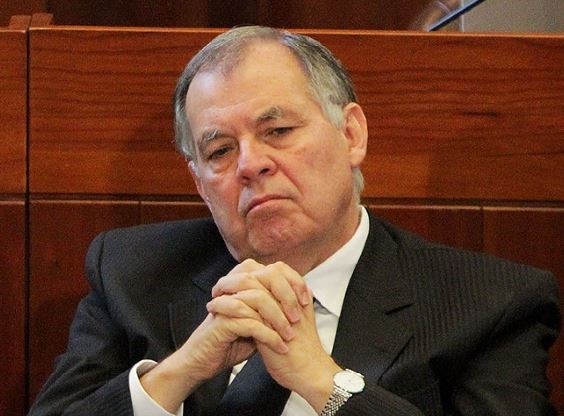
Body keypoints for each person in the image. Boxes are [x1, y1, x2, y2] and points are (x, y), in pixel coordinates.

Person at [29, 25, 561, 416]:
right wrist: (181, 370)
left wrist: (324, 382)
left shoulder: (487, 303)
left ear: (351, 135)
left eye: (278, 131)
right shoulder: (132, 273)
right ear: (199, 183)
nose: (250, 164)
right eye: (219, 150)